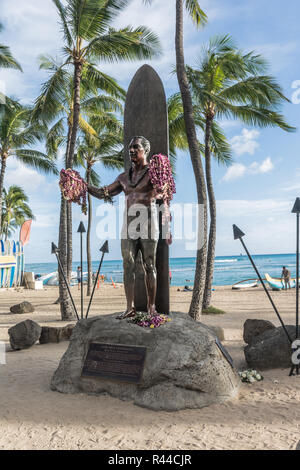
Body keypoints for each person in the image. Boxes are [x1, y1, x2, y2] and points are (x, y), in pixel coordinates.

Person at [87, 136, 160, 320]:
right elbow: (104, 192)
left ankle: (151, 307)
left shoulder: (154, 172)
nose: (132, 150)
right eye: (130, 148)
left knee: (149, 265)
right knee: (127, 263)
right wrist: (83, 186)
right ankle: (130, 307)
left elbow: (164, 193)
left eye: (136, 147)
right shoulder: (123, 178)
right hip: (128, 225)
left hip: (148, 223)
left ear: (145, 150)